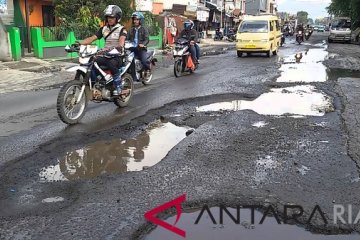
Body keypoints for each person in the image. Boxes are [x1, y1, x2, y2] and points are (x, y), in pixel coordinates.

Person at [74, 5, 127, 96]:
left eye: (112, 17)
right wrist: (80, 43)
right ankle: (97, 83)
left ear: (117, 18)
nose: (109, 19)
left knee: (110, 63)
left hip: (117, 55)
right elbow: (92, 38)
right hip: (105, 54)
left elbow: (121, 42)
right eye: (108, 17)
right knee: (91, 61)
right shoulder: (104, 29)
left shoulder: (122, 29)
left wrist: (118, 48)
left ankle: (119, 87)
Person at [127, 11, 151, 81]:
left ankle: (148, 69)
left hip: (141, 49)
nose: (135, 21)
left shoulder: (144, 29)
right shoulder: (131, 30)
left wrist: (143, 44)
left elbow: (147, 39)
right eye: (134, 19)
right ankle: (133, 76)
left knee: (144, 61)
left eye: (137, 19)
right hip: (132, 49)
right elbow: (127, 38)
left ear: (140, 20)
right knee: (127, 61)